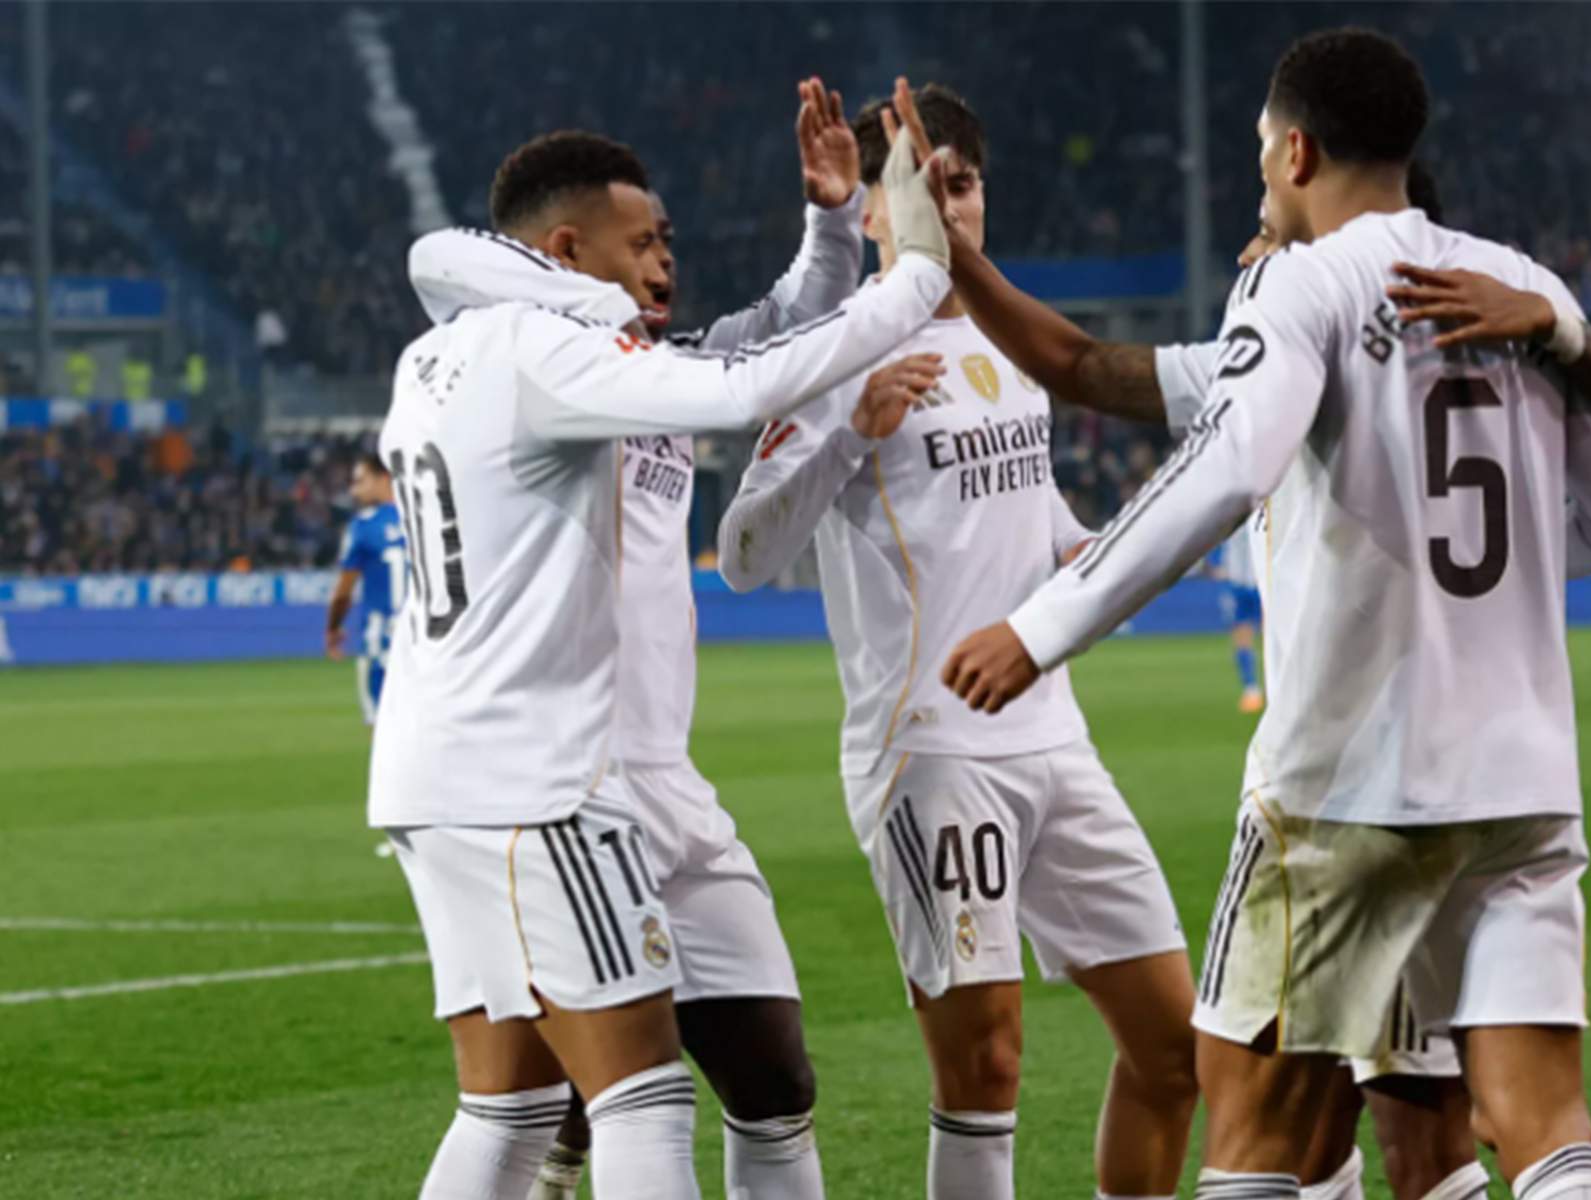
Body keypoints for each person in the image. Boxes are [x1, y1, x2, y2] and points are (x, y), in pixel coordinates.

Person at [938, 29, 1591, 1200]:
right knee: (1540, 1122)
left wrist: (1038, 627)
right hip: (1523, 784)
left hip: (1347, 785)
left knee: (1252, 1127)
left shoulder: (1303, 283)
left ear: (1294, 152)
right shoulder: (1520, 285)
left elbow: (1227, 466)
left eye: (1258, 154)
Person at [371, 87, 951, 1200]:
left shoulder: (498, 356)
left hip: (610, 773)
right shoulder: (549, 357)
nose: (664, 260)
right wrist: (915, 269)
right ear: (564, 251)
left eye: (668, 239)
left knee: (741, 1081)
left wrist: (832, 224)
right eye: (641, 242)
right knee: (635, 1098)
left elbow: (769, 337)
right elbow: (752, 382)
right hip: (541, 772)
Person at [717, 84, 1199, 1200]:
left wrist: (1095, 547)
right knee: (985, 1066)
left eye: (961, 184)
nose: (945, 207)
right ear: (870, 212)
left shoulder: (1016, 342)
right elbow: (741, 553)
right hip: (930, 750)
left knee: (1174, 1050)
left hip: (1054, 742)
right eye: (917, 188)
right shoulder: (837, 353)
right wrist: (854, 432)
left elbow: (1032, 514)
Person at [324, 453, 404, 726]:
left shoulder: (363, 526)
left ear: (384, 478)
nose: (354, 490)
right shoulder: (422, 518)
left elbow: (343, 590)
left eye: (360, 481)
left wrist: (333, 628)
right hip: (423, 642)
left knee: (382, 731)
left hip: (380, 640)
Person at [1213, 526, 1266, 713]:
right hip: (1240, 584)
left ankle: (1271, 688)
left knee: (1272, 637)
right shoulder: (1233, 517)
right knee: (1243, 637)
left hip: (1262, 582)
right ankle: (1251, 689)